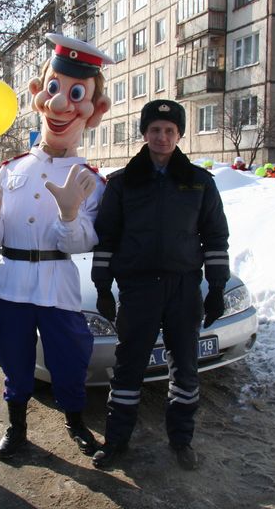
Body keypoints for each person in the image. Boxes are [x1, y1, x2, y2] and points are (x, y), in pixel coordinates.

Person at [0, 33, 112, 461]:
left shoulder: (89, 179)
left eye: (75, 94)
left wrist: (70, 216)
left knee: (70, 358)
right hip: (12, 281)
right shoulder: (11, 169)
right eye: (53, 88)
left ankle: (74, 421)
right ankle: (17, 428)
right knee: (14, 359)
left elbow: (87, 240)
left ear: (94, 110)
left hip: (57, 282)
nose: (60, 104)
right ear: (38, 95)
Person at [90, 99, 230, 471]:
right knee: (129, 366)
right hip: (139, 289)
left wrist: (216, 287)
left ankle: (181, 440)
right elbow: (106, 239)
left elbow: (216, 238)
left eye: (169, 131)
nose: (162, 136)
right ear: (144, 133)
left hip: (184, 288)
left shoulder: (199, 182)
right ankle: (117, 441)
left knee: (184, 366)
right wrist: (103, 287)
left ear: (180, 135)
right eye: (155, 130)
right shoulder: (122, 183)